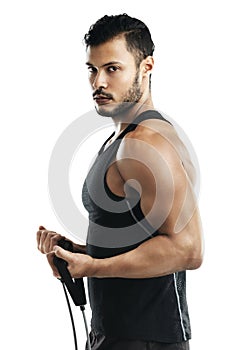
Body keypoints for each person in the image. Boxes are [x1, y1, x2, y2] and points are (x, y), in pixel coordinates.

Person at [37, 14, 203, 350]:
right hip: (114, 333)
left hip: (144, 339)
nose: (99, 82)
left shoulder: (147, 142)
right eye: (92, 69)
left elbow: (188, 249)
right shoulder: (122, 138)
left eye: (112, 69)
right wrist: (79, 256)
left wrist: (95, 267)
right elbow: (138, 238)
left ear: (146, 67)